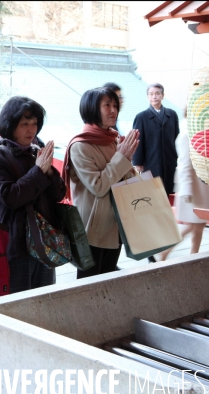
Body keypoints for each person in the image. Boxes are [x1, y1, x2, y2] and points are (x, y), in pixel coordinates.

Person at [0, 96, 64, 293]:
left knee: (44, 303)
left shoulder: (36, 152)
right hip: (15, 246)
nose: (31, 130)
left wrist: (49, 171)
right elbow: (11, 197)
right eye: (24, 124)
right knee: (19, 306)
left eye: (34, 123)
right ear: (11, 125)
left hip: (44, 243)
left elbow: (59, 194)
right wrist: (38, 172)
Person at [62, 87, 139, 279]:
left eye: (115, 105)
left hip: (117, 223)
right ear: (92, 108)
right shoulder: (80, 145)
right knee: (88, 286)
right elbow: (98, 186)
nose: (113, 110)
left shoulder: (112, 139)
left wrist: (128, 163)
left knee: (108, 281)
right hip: (93, 229)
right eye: (107, 105)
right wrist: (122, 156)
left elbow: (124, 178)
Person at [155, 117, 209, 261]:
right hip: (193, 188)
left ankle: (193, 255)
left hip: (202, 187)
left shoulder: (201, 131)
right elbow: (185, 164)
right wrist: (187, 189)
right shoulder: (187, 134)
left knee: (199, 225)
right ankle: (165, 251)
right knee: (193, 224)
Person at [132, 83, 179, 196]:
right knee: (153, 194)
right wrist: (137, 162)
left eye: (157, 94)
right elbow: (137, 140)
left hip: (169, 160)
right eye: (151, 94)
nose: (154, 97)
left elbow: (176, 136)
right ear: (148, 97)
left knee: (168, 191)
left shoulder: (172, 115)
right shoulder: (141, 117)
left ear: (163, 96)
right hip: (150, 161)